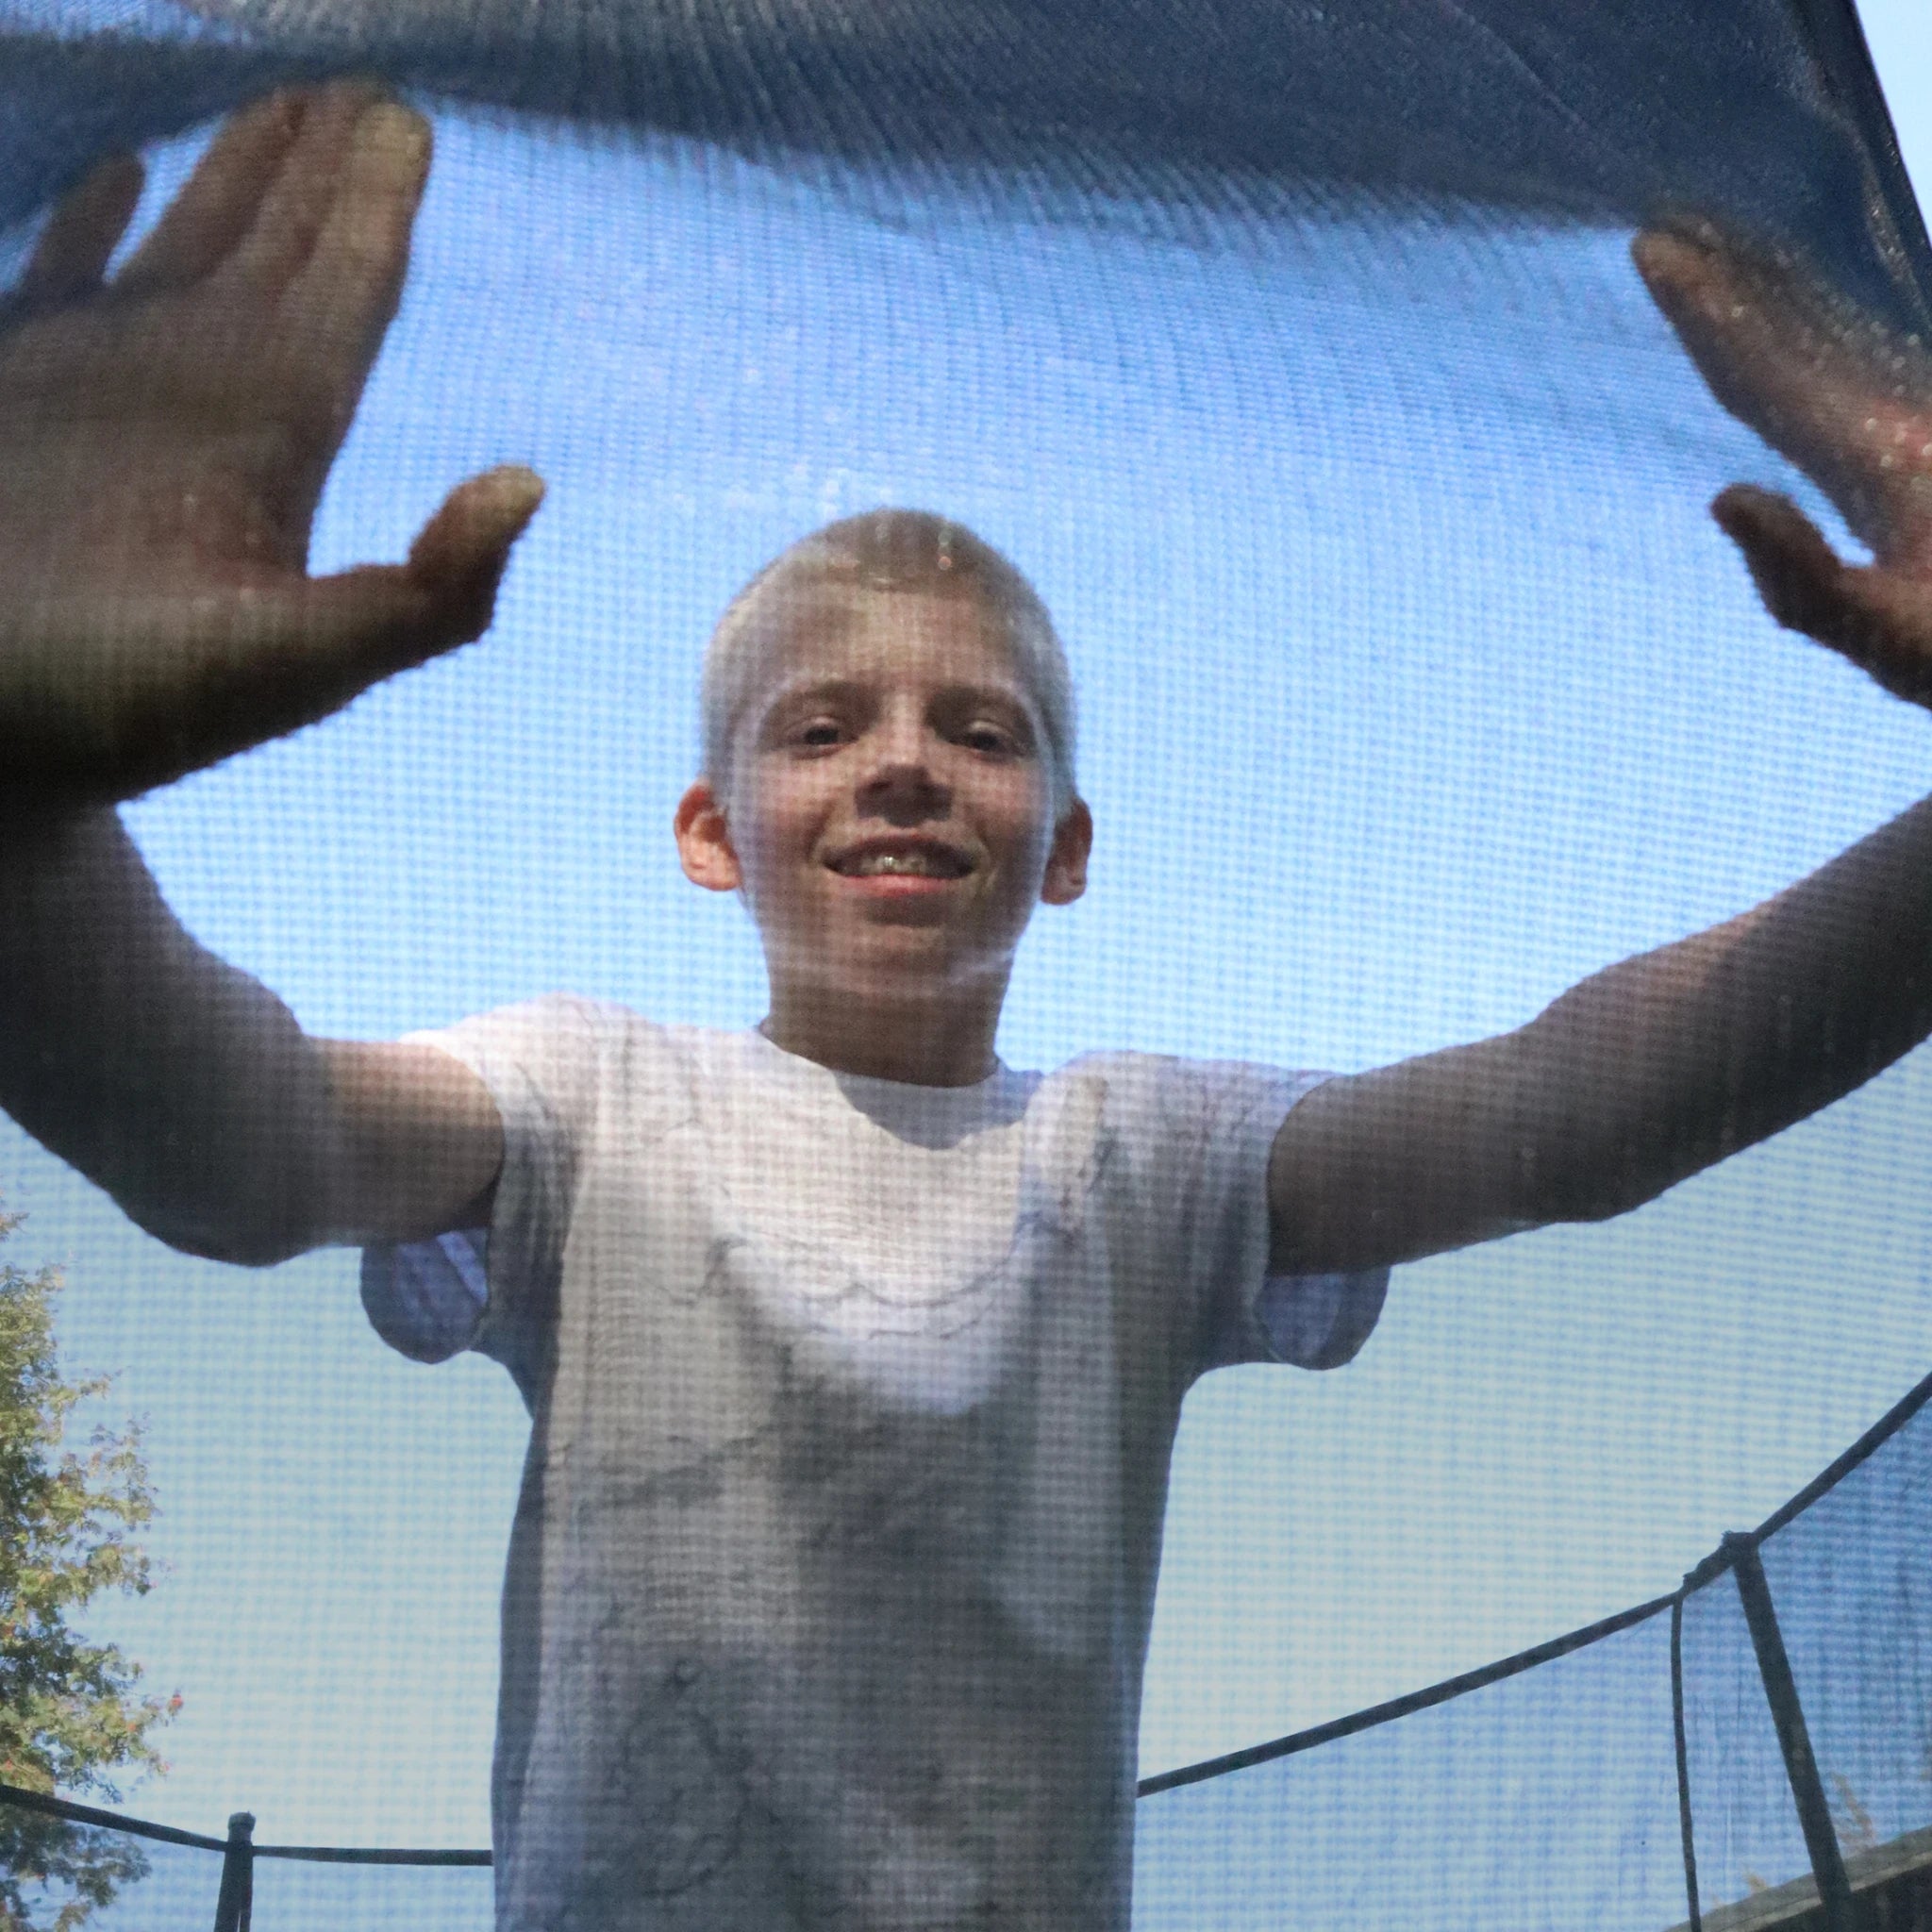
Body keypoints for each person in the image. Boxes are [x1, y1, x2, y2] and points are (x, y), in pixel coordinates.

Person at [4, 81, 1932, 1932]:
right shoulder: (586, 1099)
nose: (906, 763)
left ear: (1065, 845)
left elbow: (1572, 1116)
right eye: (823, 725)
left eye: (980, 730)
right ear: (713, 831)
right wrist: (27, 809)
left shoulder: (1138, 1160)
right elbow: (245, 1152)